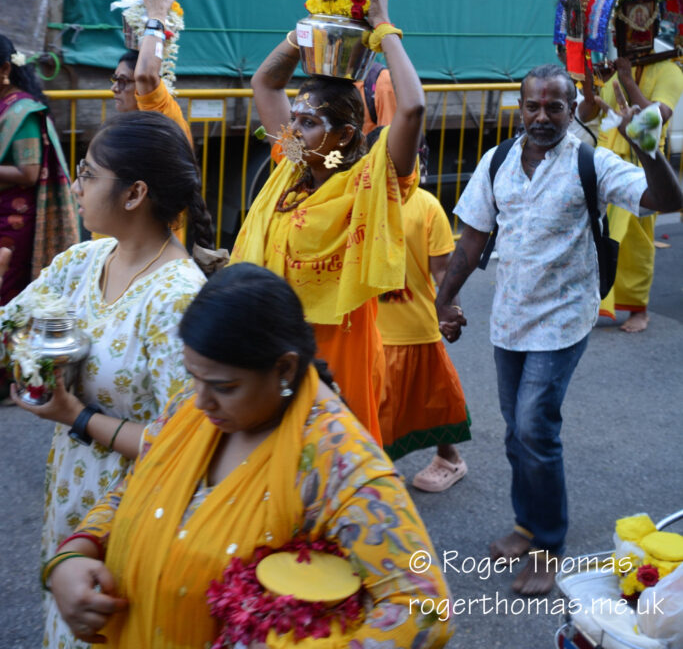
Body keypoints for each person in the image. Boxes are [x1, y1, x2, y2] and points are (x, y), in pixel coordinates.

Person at [43, 264, 453, 649]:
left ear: (285, 369)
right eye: (194, 377)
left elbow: (423, 609)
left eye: (225, 386)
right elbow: (134, 488)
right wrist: (75, 553)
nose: (202, 401)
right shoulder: (193, 406)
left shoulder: (339, 462)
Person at [434, 63, 682, 595]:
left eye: (555, 107)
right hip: (509, 319)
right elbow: (472, 239)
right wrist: (445, 300)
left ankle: (548, 544)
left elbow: (667, 201)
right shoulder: (497, 160)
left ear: (573, 111)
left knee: (535, 429)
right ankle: (527, 523)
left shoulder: (593, 161)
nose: (542, 116)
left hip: (564, 319)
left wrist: (648, 148)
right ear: (519, 107)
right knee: (516, 432)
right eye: (533, 106)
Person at [0, 112, 212, 649]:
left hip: (131, 516)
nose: (76, 184)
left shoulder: (177, 299)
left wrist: (77, 416)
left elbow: (184, 445)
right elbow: (10, 328)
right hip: (71, 503)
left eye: (87, 173)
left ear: (135, 192)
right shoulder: (82, 261)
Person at [230, 0, 424, 443]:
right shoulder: (290, 165)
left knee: (330, 457)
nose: (292, 130)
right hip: (274, 339)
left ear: (345, 135)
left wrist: (382, 27)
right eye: (293, 119)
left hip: (337, 349)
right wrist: (313, 25)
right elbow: (266, 82)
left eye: (309, 122)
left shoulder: (370, 182)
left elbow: (413, 108)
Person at [373, 134, 471, 492]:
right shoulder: (360, 204)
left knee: (433, 401)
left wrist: (450, 310)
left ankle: (448, 459)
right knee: (379, 405)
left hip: (417, 329)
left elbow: (443, 271)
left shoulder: (428, 207)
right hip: (373, 331)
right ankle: (374, 472)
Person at [579, 55, 683, 332]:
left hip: (643, 164)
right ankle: (594, 302)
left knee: (636, 242)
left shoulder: (671, 70)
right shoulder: (612, 69)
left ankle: (640, 309)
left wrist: (626, 79)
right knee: (598, 236)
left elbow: (657, 116)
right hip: (604, 161)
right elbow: (589, 114)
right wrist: (590, 93)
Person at [0, 35, 79, 307]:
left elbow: (28, 173)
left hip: (12, 221)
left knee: (6, 298)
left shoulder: (22, 113)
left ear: (5, 70)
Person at [111, 0, 192, 146]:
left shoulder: (160, 110)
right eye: (115, 79)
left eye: (123, 80)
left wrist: (157, 15)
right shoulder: (129, 123)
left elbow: (145, 75)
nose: (114, 88)